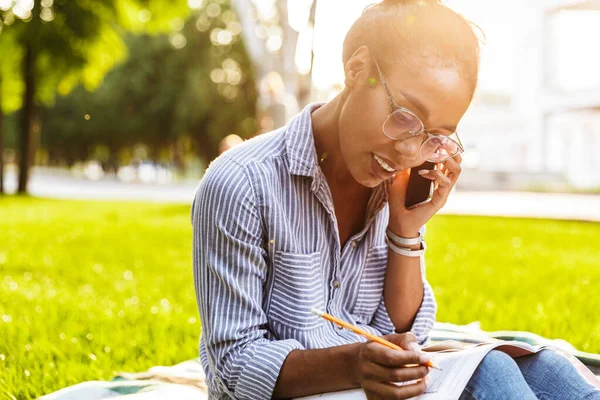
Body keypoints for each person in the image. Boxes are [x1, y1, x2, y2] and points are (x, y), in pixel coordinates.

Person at [191, 1, 600, 399]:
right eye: (406, 115)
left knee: (550, 368)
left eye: (436, 135)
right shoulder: (241, 183)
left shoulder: (394, 186)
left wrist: (405, 230)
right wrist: (353, 365)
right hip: (297, 390)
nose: (410, 152)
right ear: (357, 70)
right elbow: (234, 365)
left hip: (371, 386)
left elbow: (409, 332)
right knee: (489, 375)